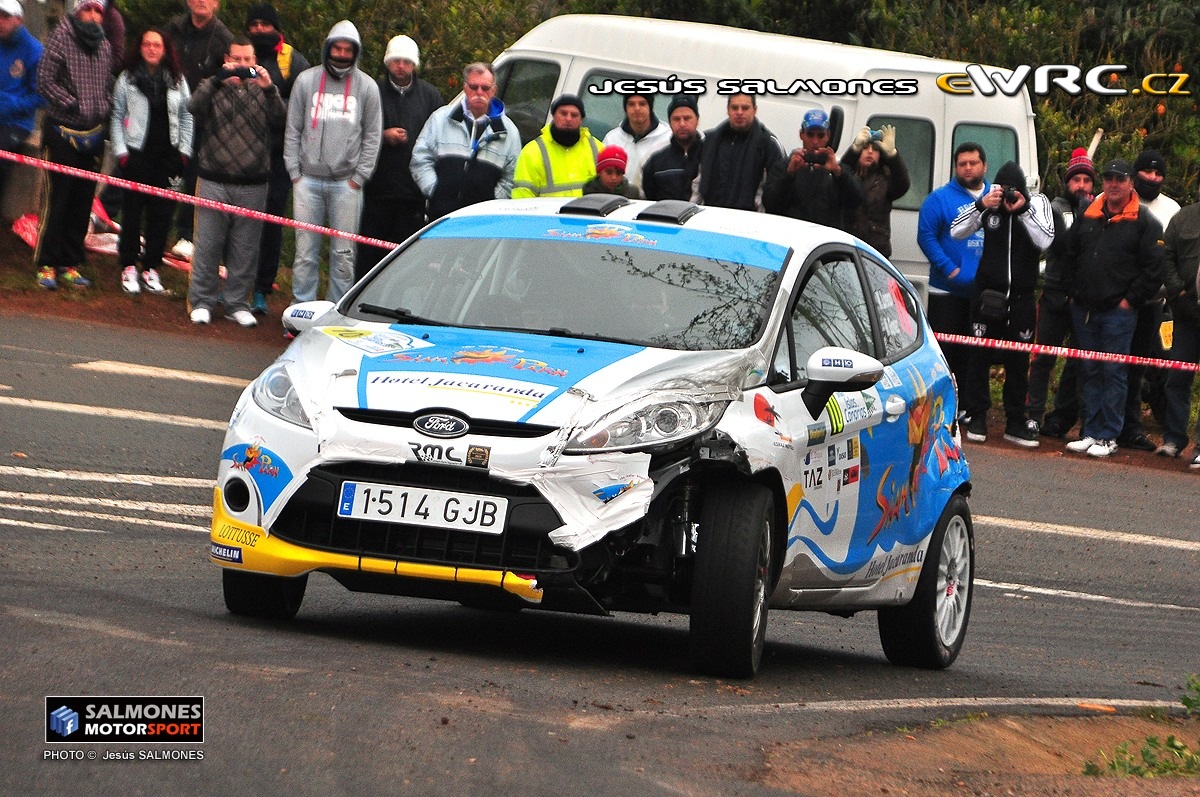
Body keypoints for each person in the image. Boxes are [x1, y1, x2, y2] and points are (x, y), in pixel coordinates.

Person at [1061, 158, 1165, 458]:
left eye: (1120, 179)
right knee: (1090, 370)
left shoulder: (1145, 221)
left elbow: (1154, 270)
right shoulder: (1087, 214)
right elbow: (1069, 254)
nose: (1114, 184)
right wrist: (1073, 292)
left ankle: (1109, 435)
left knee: (1114, 373)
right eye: (1109, 179)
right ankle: (1091, 431)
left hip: (1118, 312)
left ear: (1131, 183)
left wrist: (1129, 300)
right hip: (1084, 309)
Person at [950, 161, 1053, 446]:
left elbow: (1045, 240)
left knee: (1019, 362)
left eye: (1014, 190)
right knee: (979, 358)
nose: (1008, 194)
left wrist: (1022, 209)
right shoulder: (986, 204)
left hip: (1021, 297)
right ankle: (978, 416)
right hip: (987, 296)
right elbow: (956, 232)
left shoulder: (1037, 205)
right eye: (1004, 189)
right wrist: (981, 206)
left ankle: (1015, 421)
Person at [186, 36, 285, 326]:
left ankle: (236, 303)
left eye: (247, 60)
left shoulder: (266, 89)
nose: (241, 66)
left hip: (254, 180)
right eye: (236, 59)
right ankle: (202, 301)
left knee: (245, 247)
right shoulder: (213, 84)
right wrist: (218, 80)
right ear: (227, 58)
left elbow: (281, 119)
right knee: (207, 244)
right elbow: (193, 106)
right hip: (214, 177)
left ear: (255, 61)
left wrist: (269, 89)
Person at [284, 20, 382, 304]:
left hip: (346, 184)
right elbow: (293, 129)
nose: (341, 53)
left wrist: (358, 178)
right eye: (336, 47)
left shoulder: (367, 88)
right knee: (305, 252)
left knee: (343, 254)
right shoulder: (306, 81)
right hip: (307, 181)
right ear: (328, 48)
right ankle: (301, 309)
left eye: (347, 49)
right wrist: (295, 172)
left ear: (355, 52)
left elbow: (373, 136)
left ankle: (336, 311)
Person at [33, 0, 113, 291]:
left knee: (82, 201)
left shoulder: (104, 45)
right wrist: (74, 104)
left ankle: (70, 263)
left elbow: (107, 85)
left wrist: (104, 106)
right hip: (62, 130)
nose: (92, 16)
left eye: (97, 11)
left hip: (93, 134)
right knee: (57, 200)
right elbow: (44, 81)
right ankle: (46, 263)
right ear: (77, 11)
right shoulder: (61, 37)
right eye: (87, 9)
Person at [111, 28, 193, 295]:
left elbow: (187, 116)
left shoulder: (178, 80)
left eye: (157, 45)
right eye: (147, 44)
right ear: (140, 47)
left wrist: (184, 152)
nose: (152, 49)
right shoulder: (128, 78)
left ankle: (152, 267)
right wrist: (121, 152)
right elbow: (117, 114)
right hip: (136, 154)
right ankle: (128, 266)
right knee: (132, 212)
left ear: (166, 49)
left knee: (161, 215)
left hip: (168, 157)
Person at [356, 34, 441, 277]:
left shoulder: (431, 96)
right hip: (376, 192)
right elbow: (356, 132)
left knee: (405, 260)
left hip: (412, 195)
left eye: (406, 61)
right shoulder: (372, 91)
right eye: (396, 61)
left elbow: (438, 139)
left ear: (414, 63)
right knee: (369, 256)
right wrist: (383, 136)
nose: (401, 66)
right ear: (387, 62)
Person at [245, 2, 309, 314]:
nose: (259, 30)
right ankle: (235, 282)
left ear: (276, 27)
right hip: (243, 150)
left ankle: (262, 287)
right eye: (253, 24)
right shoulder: (243, 53)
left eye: (264, 24)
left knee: (271, 221)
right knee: (241, 218)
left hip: (281, 154)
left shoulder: (293, 60)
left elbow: (304, 107)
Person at [1030, 147, 1095, 438]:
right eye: (1076, 179)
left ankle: (1064, 418)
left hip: (1083, 297)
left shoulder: (1098, 210)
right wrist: (1082, 219)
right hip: (1055, 293)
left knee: (1079, 362)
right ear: (1067, 182)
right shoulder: (1053, 208)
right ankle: (1033, 415)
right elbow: (1061, 246)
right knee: (1044, 358)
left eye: (1087, 180)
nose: (1081, 185)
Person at [1119, 148, 1180, 452]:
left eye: (1158, 174)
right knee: (1109, 364)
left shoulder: (1172, 209)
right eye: (1147, 172)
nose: (1153, 178)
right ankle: (1104, 425)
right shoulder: (1122, 202)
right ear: (1134, 173)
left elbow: (1175, 258)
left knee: (1145, 366)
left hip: (1156, 303)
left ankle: (1133, 427)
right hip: (1118, 301)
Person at [917, 142, 990, 392]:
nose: (968, 168)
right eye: (962, 164)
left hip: (984, 293)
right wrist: (949, 269)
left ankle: (969, 406)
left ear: (984, 165)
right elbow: (926, 237)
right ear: (956, 167)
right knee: (946, 353)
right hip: (946, 292)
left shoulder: (995, 196)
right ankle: (943, 400)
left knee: (976, 354)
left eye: (973, 163)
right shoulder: (939, 199)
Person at [166, 0, 233, 260]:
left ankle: (186, 235)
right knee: (158, 170)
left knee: (193, 177)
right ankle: (131, 222)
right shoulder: (173, 29)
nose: (200, 1)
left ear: (216, 3)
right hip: (169, 114)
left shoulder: (223, 38)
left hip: (203, 120)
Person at [410, 61, 519, 220]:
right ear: (465, 88)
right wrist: (435, 190)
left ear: (494, 91)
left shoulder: (509, 132)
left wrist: (493, 201)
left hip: (483, 221)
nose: (479, 92)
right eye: (474, 87)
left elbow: (512, 176)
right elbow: (420, 158)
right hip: (440, 218)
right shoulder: (440, 119)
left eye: (485, 88)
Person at [1155, 197, 1200, 467]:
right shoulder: (1183, 218)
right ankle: (1174, 439)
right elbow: (1166, 256)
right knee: (1176, 379)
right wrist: (1178, 291)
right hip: (1184, 315)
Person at [763, 108, 862, 229]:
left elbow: (856, 201)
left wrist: (838, 172)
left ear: (828, 136)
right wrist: (789, 175)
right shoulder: (784, 166)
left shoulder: (838, 171)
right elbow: (770, 204)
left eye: (820, 136)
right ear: (801, 134)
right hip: (791, 236)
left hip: (824, 242)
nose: (815, 141)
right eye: (810, 134)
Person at [692, 92, 784, 211]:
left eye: (745, 108)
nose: (739, 112)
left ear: (754, 110)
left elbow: (776, 190)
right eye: (734, 108)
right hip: (711, 217)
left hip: (749, 221)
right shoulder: (709, 141)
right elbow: (697, 183)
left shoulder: (768, 144)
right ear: (728, 110)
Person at [840, 124, 910, 256]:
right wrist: (853, 150)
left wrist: (893, 155)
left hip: (876, 252)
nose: (870, 152)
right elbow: (839, 175)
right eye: (865, 147)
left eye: (875, 149)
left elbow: (903, 185)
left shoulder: (885, 178)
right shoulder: (848, 175)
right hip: (848, 247)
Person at [512, 93, 598, 198]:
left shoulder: (597, 149)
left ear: (581, 119)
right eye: (563, 113)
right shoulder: (532, 152)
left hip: (588, 214)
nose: (568, 119)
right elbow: (522, 197)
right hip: (547, 214)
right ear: (553, 115)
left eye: (574, 115)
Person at [0, 0, 43, 206]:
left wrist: (9, 104)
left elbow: (41, 97)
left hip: (17, 122)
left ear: (19, 19)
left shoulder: (34, 51)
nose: (0, 22)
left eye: (5, 17)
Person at [601, 91, 669, 198]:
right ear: (625, 108)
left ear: (650, 107)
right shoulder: (612, 138)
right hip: (615, 203)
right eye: (631, 104)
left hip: (650, 205)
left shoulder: (667, 138)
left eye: (642, 104)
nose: (637, 108)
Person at [641, 94, 701, 202]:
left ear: (697, 120)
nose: (682, 124)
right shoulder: (655, 162)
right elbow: (647, 199)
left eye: (687, 118)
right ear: (670, 123)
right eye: (676, 119)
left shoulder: (711, 155)